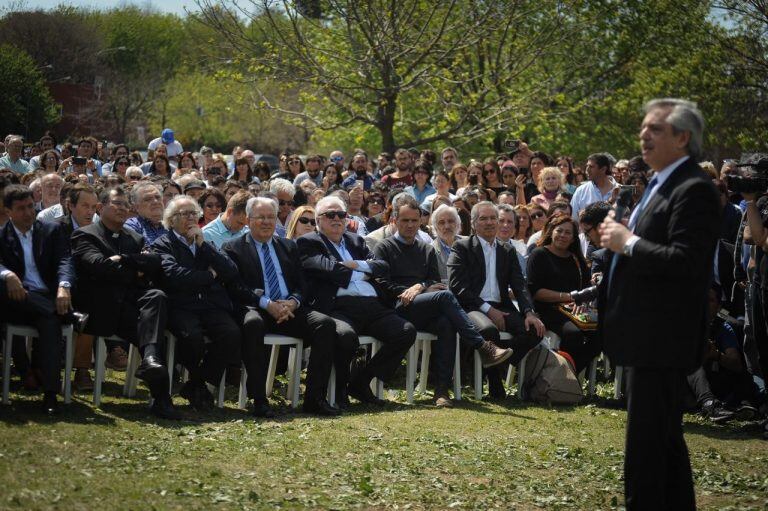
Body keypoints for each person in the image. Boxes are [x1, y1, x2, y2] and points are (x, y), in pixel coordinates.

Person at [598, 98, 721, 510]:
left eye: (655, 129)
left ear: (683, 138)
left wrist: (627, 242)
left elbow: (686, 261)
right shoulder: (656, 183)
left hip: (663, 338)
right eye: (643, 128)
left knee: (646, 453)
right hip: (644, 334)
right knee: (665, 443)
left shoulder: (694, 189)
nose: (643, 136)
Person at [373, 195, 513, 407]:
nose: (410, 225)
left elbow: (433, 281)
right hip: (395, 308)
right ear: (394, 221)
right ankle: (483, 346)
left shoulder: (425, 249)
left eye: (414, 220)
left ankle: (441, 390)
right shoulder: (384, 247)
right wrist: (408, 290)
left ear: (421, 220)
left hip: (421, 306)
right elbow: (381, 283)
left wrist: (419, 287)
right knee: (446, 296)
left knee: (446, 323)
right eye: (405, 220)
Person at [222, 197, 339, 417]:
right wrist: (267, 304)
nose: (267, 222)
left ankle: (314, 398)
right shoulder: (233, 248)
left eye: (271, 217)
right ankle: (258, 399)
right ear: (248, 220)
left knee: (324, 324)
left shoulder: (288, 246)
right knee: (252, 324)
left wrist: (293, 302)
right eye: (261, 217)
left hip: (289, 308)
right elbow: (237, 287)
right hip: (256, 307)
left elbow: (302, 282)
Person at [297, 196, 417, 407]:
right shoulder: (308, 242)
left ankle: (361, 381)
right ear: (318, 220)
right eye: (330, 215)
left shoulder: (356, 240)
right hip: (338, 307)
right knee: (345, 336)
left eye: (341, 215)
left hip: (372, 305)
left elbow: (382, 266)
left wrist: (353, 264)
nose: (337, 219)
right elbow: (329, 270)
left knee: (405, 331)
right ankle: (339, 389)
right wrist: (364, 270)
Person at [71, 186, 180, 419]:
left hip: (130, 310)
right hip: (102, 311)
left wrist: (125, 259)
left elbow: (154, 265)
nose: (123, 208)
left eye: (125, 204)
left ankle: (151, 364)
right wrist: (134, 271)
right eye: (117, 203)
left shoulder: (135, 238)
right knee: (151, 334)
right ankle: (161, 396)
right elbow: (99, 267)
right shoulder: (86, 235)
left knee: (156, 296)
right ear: (100, 208)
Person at [152, 196, 242, 411]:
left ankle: (196, 383)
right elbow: (174, 275)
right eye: (185, 214)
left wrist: (202, 245)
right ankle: (197, 384)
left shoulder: (204, 242)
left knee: (231, 333)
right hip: (180, 305)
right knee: (192, 337)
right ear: (172, 219)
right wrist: (209, 277)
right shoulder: (163, 244)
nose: (192, 218)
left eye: (194, 213)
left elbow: (230, 271)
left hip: (209, 304)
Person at [448, 201, 545, 399]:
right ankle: (494, 382)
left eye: (494, 218)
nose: (490, 222)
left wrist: (528, 312)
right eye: (484, 218)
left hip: (502, 306)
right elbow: (458, 287)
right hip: (472, 306)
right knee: (489, 330)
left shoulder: (507, 250)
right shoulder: (462, 246)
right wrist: (488, 310)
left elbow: (519, 285)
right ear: (474, 223)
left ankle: (496, 366)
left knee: (535, 329)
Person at [0, 185, 74, 414]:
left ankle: (50, 394)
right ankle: (67, 314)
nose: (29, 213)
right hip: (14, 301)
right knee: (7, 289)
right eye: (21, 208)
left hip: (44, 298)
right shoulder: (2, 235)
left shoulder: (51, 230)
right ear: (8, 211)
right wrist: (7, 274)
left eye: (31, 206)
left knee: (50, 323)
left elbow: (65, 261)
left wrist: (63, 286)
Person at [526, 215, 600, 374]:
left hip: (576, 311)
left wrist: (582, 303)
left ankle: (569, 374)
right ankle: (563, 378)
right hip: (548, 311)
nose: (563, 235)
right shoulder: (539, 254)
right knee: (573, 334)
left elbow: (587, 290)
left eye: (568, 233)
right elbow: (535, 292)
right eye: (559, 231)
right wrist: (570, 296)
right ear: (551, 231)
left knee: (603, 333)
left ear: (574, 238)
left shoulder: (576, 258)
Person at [55, 183, 98, 390]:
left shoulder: (97, 231)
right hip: (56, 288)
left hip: (85, 291)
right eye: (85, 206)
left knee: (93, 304)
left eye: (93, 207)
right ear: (70, 205)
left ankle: (81, 371)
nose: (90, 212)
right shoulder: (55, 228)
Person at [570, 153, 618, 221]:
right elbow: (573, 218)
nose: (587, 170)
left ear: (603, 169)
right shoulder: (581, 191)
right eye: (587, 166)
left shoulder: (619, 190)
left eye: (591, 167)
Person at [430, 204, 463, 282]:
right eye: (441, 222)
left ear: (458, 224)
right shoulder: (430, 250)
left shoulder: (471, 244)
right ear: (435, 227)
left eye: (451, 221)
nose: (447, 226)